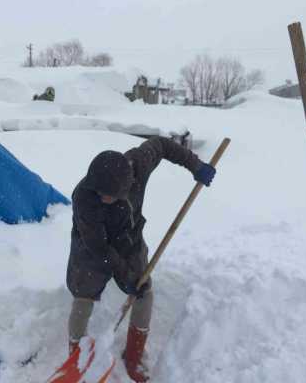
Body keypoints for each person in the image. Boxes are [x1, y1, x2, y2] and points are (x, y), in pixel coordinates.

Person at [66, 136, 216, 382]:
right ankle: (75, 358)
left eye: (107, 195)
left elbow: (162, 144)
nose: (101, 197)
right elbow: (100, 247)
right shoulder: (84, 197)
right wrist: (123, 275)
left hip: (129, 238)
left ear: (126, 186)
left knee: (143, 290)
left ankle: (134, 356)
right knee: (83, 294)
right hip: (91, 246)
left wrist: (195, 165)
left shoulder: (138, 163)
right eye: (98, 192)